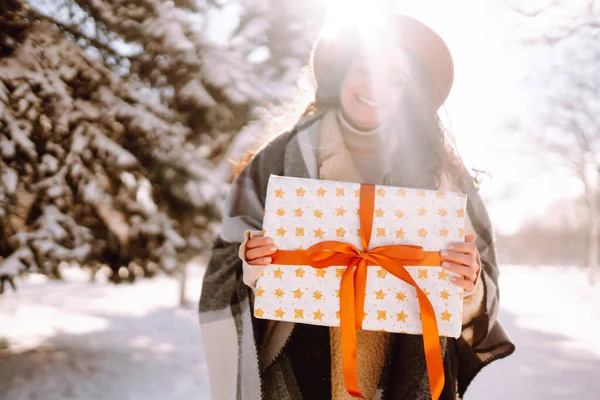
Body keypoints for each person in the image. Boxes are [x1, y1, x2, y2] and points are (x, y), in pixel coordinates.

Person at [199, 13, 515, 400]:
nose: (373, 87)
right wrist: (253, 265)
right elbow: (224, 266)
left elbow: (485, 291)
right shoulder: (280, 157)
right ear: (342, 74)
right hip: (298, 369)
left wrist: (468, 287)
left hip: (406, 373)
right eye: (363, 69)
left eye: (393, 78)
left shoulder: (444, 171)